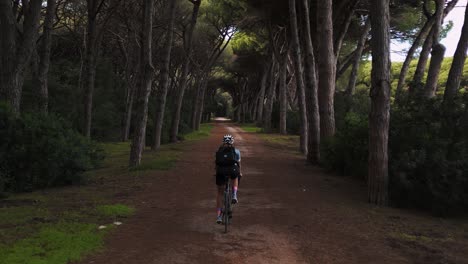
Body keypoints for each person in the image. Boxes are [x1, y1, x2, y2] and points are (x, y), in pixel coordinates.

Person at [215, 134, 242, 224]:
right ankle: (234, 195)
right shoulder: (236, 151)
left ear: (223, 142)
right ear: (232, 142)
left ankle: (218, 216)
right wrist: (240, 172)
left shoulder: (218, 151)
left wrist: (216, 173)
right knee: (235, 177)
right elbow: (238, 164)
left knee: (220, 193)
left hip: (221, 172)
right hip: (232, 170)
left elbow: (216, 165)